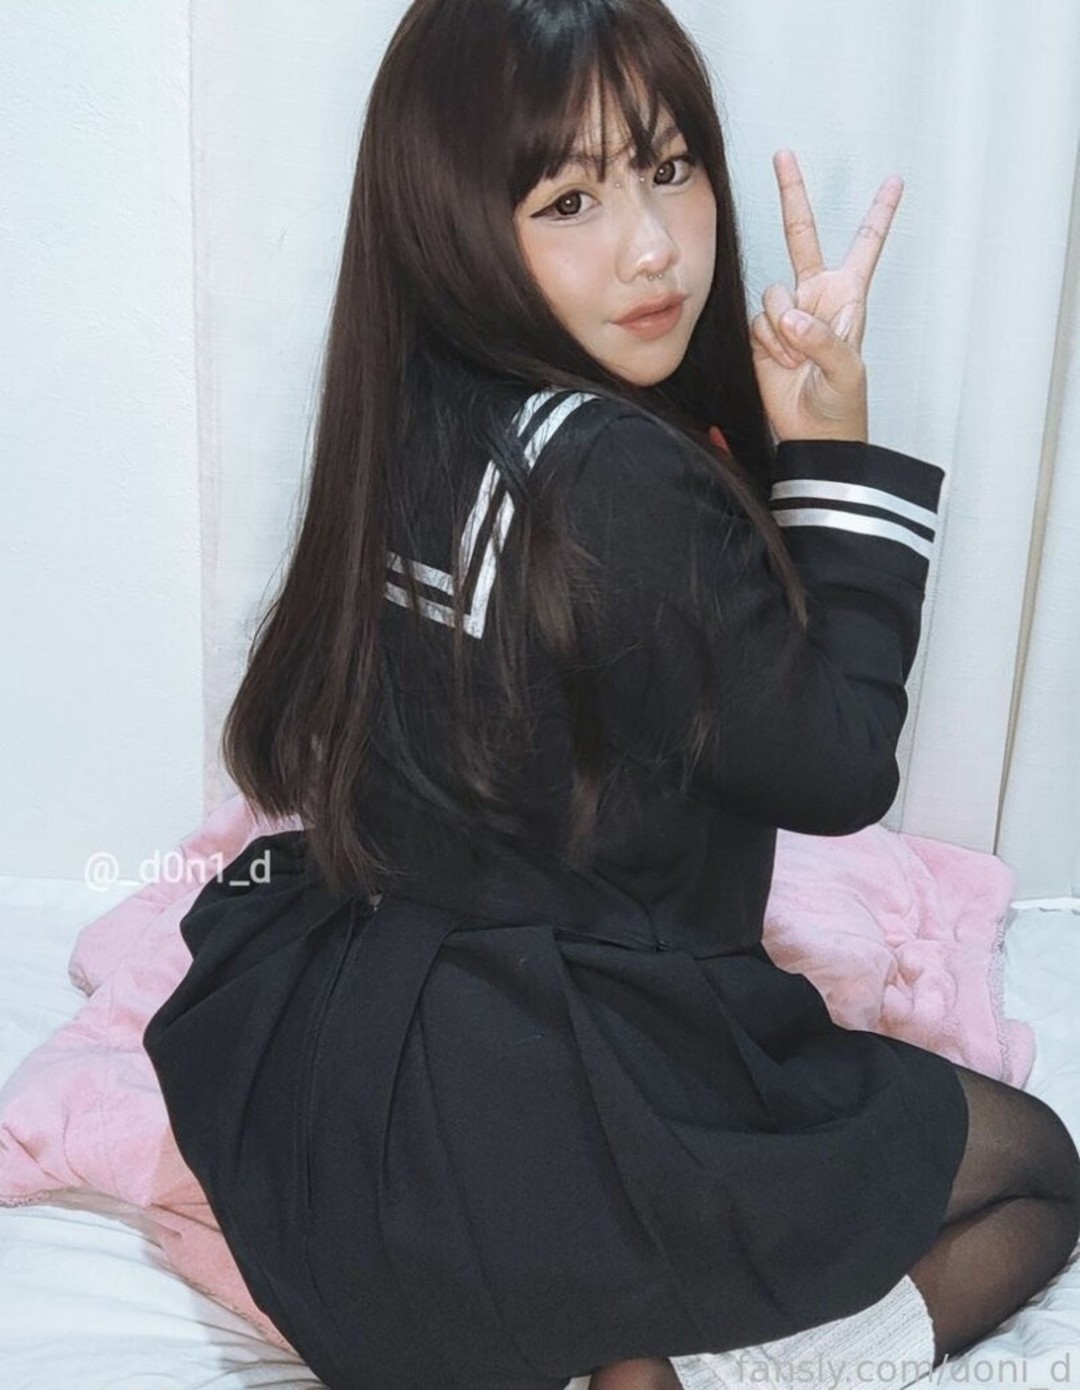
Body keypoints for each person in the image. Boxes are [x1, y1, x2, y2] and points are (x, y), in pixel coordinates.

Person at [143, 1, 1080, 1387]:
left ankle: (615, 1335)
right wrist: (831, 451)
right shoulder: (617, 478)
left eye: (670, 167)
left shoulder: (414, 410)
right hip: (546, 1114)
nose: (653, 248)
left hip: (348, 1117)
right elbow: (840, 768)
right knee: (1043, 1171)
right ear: (454, 218)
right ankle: (705, 1372)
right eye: (570, 198)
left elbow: (671, 685)